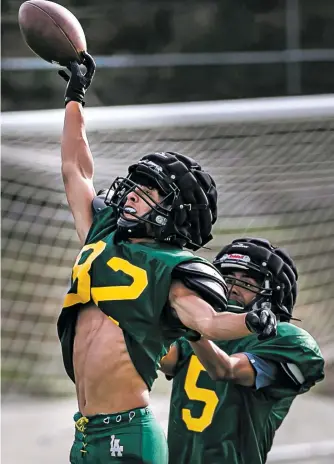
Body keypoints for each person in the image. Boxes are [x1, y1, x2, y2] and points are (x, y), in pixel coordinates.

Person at [56, 54, 277, 464]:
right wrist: (75, 97)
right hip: (84, 434)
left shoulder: (171, 269)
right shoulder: (101, 231)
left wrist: (251, 319)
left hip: (126, 434)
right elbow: (75, 167)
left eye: (147, 191)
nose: (131, 194)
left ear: (173, 212)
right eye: (133, 186)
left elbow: (208, 323)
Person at [162, 237, 325, 464]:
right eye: (227, 277)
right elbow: (162, 358)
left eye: (247, 281)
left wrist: (193, 328)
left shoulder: (289, 340)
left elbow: (226, 369)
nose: (232, 288)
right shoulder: (200, 330)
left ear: (272, 294)